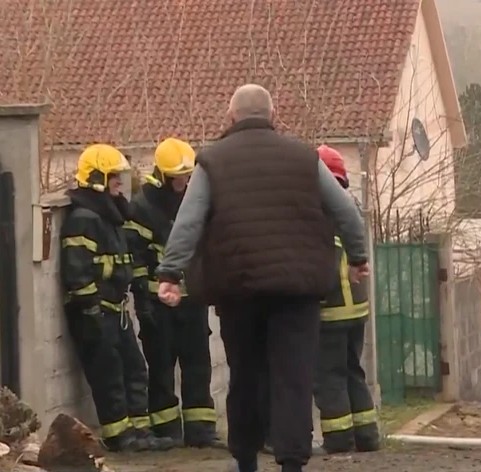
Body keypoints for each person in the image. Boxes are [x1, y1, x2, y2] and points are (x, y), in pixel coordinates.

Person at [153, 84, 369, 472]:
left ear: (231, 117)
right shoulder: (305, 158)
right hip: (298, 291)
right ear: (273, 116)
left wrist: (170, 271)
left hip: (238, 289)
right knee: (294, 376)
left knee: (246, 373)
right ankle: (291, 462)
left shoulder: (213, 161)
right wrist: (357, 257)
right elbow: (345, 210)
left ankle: (247, 459)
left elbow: (189, 220)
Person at [59, 144, 174, 452]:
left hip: (115, 311)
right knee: (109, 375)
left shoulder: (108, 216)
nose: (120, 185)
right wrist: (91, 310)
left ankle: (140, 433)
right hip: (95, 314)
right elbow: (77, 271)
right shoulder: (84, 219)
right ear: (97, 178)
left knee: (135, 370)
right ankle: (119, 436)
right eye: (114, 178)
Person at [124, 138, 222, 448]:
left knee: (198, 364)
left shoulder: (194, 200)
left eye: (187, 175)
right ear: (163, 175)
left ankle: (201, 430)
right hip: (158, 303)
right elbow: (136, 257)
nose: (184, 182)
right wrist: (143, 300)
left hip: (192, 300)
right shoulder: (143, 206)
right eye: (178, 177)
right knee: (161, 366)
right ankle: (167, 430)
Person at [313, 144, 380, 454]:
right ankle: (367, 436)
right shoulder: (350, 207)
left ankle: (339, 439)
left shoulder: (320, 212)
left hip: (331, 309)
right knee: (354, 370)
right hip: (357, 309)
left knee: (330, 375)